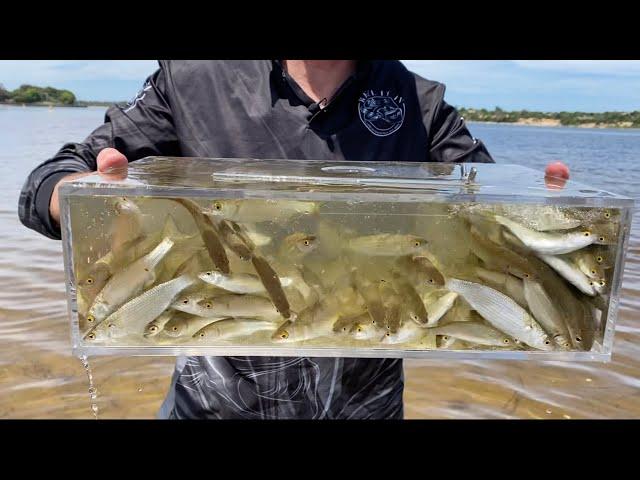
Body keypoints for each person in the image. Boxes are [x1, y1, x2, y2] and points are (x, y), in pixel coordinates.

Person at [18, 60, 565, 419]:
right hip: (215, 400)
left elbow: (487, 204)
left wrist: (543, 212)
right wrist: (77, 198)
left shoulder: (417, 103)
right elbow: (53, 176)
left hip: (366, 402)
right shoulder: (193, 80)